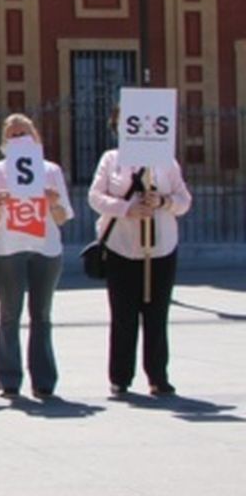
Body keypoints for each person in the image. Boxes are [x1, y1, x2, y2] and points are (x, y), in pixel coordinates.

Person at [88, 123, 192, 398]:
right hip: (122, 247)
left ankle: (158, 376)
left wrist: (163, 202)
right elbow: (95, 197)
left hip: (161, 248)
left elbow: (184, 200)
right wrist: (126, 209)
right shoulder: (111, 160)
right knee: (123, 314)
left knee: (157, 313)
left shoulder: (166, 162)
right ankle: (120, 376)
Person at [0, 114, 73, 399]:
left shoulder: (51, 170)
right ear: (4, 142)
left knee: (42, 315)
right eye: (13, 134)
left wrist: (53, 202)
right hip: (8, 248)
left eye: (24, 132)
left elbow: (63, 216)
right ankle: (8, 379)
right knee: (9, 314)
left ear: (35, 137)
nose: (19, 137)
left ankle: (43, 380)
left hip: (45, 248)